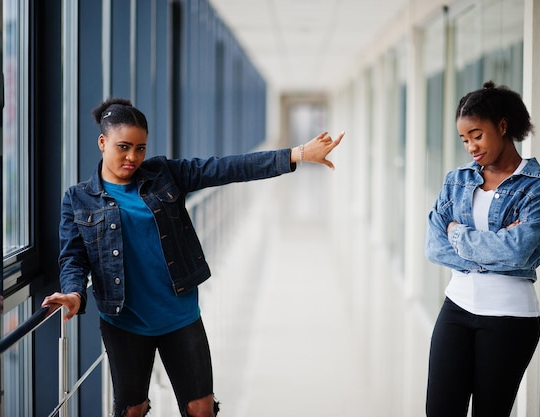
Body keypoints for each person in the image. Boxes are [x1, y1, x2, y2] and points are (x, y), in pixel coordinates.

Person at [42, 97, 344, 417]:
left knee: (201, 408)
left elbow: (228, 168)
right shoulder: (78, 198)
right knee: (132, 409)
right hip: (124, 321)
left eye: (140, 148)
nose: (133, 157)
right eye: (124, 147)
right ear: (103, 142)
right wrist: (74, 292)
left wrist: (296, 154)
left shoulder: (165, 174)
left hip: (180, 315)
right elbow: (73, 256)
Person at [424, 81, 540, 417]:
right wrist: (495, 249)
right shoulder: (457, 180)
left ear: (502, 126)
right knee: (439, 410)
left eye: (477, 135)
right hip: (456, 307)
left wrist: (458, 233)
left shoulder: (537, 186)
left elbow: (518, 252)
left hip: (510, 317)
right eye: (465, 139)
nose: (471, 146)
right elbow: (434, 247)